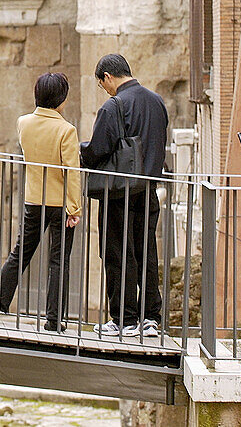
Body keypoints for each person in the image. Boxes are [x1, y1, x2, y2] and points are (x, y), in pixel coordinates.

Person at [0, 72, 81, 332]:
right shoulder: (66, 130)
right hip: (60, 203)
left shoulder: (23, 123)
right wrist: (75, 208)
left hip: (34, 199)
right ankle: (54, 319)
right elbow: (71, 172)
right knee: (58, 261)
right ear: (62, 98)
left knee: (20, 253)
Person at [80, 53, 168, 339]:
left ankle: (124, 318)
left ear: (107, 77)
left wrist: (80, 151)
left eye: (101, 83)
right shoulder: (157, 102)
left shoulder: (113, 106)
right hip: (149, 189)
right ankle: (151, 317)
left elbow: (99, 150)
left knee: (117, 252)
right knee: (146, 252)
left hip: (119, 192)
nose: (103, 89)